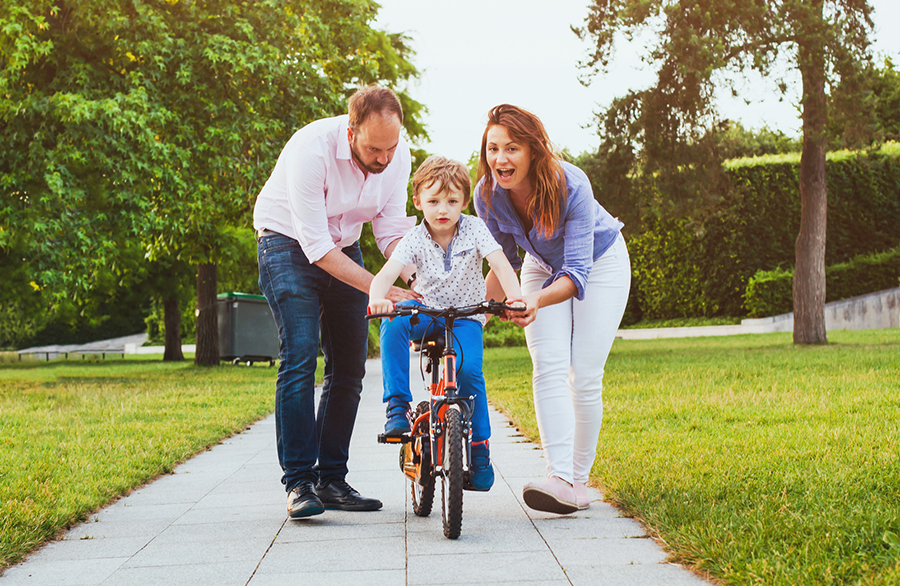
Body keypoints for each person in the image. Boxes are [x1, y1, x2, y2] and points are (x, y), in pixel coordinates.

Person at [253, 85, 419, 519]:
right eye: (374, 148)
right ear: (351, 132)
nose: (384, 158)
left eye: (391, 147)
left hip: (344, 247)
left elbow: (389, 229)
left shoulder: (396, 156)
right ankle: (300, 484)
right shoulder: (312, 149)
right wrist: (378, 287)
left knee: (350, 365)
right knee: (302, 353)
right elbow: (315, 246)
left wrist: (420, 278)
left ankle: (331, 480)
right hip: (286, 243)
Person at [474, 104, 631, 514]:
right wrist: (477, 315)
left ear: (533, 151)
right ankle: (558, 477)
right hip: (540, 264)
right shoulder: (487, 194)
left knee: (584, 373)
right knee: (547, 364)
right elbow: (501, 260)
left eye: (511, 149)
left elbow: (577, 272)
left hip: (600, 264)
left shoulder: (570, 184)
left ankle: (579, 483)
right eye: (493, 149)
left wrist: (535, 300)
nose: (500, 159)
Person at [368, 155, 523, 491]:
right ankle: (397, 406)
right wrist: (377, 298)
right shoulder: (413, 237)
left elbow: (501, 263)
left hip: (466, 316)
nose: (443, 209)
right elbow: (385, 276)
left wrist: (515, 297)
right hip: (426, 314)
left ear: (464, 203)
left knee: (470, 374)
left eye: (452, 201)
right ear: (418, 201)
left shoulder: (475, 229)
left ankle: (480, 453)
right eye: (434, 200)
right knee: (394, 320)